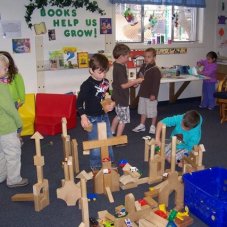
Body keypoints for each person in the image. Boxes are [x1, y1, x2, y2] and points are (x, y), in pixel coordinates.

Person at [77, 53, 115, 169]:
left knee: (108, 140)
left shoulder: (106, 82)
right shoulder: (86, 85)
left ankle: (110, 162)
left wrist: (111, 104)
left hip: (104, 116)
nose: (103, 75)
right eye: (100, 72)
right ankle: (96, 166)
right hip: (92, 118)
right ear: (91, 70)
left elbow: (107, 97)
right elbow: (78, 103)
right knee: (95, 144)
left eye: (105, 72)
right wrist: (83, 117)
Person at [0, 54, 28, 188]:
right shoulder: (1, 87)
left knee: (1, 153)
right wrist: (19, 124)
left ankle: (1, 175)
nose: (6, 71)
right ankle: (14, 179)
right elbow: (10, 109)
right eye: (5, 69)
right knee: (13, 153)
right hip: (6, 127)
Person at [111, 44, 144, 137]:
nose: (128, 59)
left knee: (118, 116)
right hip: (121, 98)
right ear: (121, 57)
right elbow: (123, 86)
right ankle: (118, 139)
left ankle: (111, 131)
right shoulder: (120, 68)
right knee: (123, 119)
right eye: (127, 57)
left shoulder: (118, 65)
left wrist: (133, 83)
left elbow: (122, 82)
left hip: (117, 97)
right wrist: (136, 81)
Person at [132, 48, 161, 134]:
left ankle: (153, 126)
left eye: (149, 57)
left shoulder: (155, 70)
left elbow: (156, 84)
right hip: (143, 93)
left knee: (152, 111)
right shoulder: (143, 66)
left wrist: (154, 94)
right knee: (143, 110)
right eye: (145, 56)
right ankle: (142, 125)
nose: (146, 58)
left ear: (154, 57)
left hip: (151, 95)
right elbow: (139, 76)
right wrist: (136, 83)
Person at [0, 51, 25, 144]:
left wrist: (22, 100)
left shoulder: (15, 76)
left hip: (13, 102)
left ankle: (17, 138)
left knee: (14, 120)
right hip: (2, 103)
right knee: (5, 121)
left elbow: (21, 88)